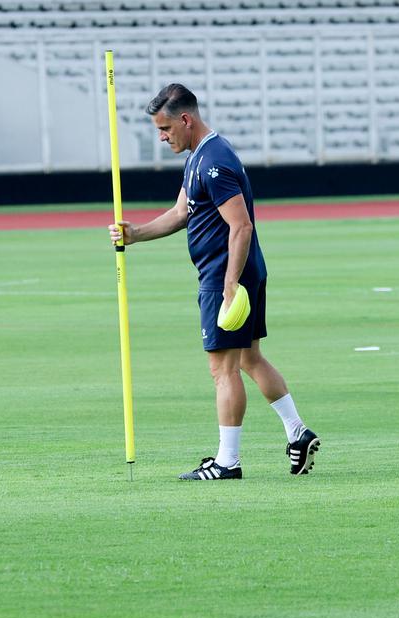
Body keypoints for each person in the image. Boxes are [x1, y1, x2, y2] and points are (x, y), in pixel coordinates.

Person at [108, 83, 319, 481]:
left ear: (186, 119)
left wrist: (228, 285)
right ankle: (297, 432)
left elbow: (241, 226)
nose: (162, 136)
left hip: (226, 275)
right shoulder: (199, 157)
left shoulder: (214, 162)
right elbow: (180, 212)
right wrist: (136, 234)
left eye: (166, 128)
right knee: (247, 359)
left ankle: (228, 462)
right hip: (242, 272)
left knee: (222, 370)